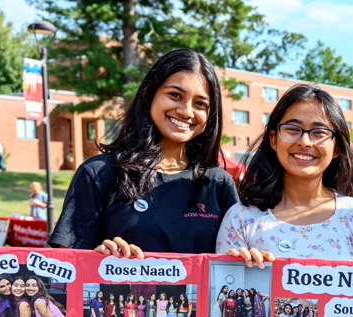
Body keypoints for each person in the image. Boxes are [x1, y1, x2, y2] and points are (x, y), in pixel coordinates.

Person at [48, 49, 238, 258]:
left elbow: (234, 262)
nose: (186, 111)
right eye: (175, 95)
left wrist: (248, 258)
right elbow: (68, 267)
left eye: (200, 104)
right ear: (149, 93)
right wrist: (98, 259)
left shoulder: (219, 184)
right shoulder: (98, 174)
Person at [215, 84, 353, 267]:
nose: (305, 142)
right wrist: (241, 268)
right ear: (273, 139)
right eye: (293, 129)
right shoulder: (240, 218)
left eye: (319, 132)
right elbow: (222, 283)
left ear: (336, 148)